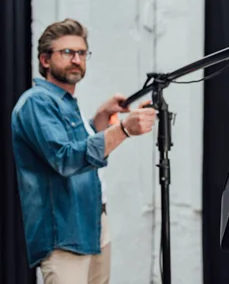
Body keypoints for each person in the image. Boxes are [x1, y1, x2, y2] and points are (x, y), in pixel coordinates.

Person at [11, 18, 157, 284]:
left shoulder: (67, 103)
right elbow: (65, 158)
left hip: (94, 224)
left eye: (81, 52)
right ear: (45, 60)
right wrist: (122, 130)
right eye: (67, 52)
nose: (76, 59)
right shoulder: (36, 103)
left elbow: (77, 146)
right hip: (64, 233)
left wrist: (101, 119)